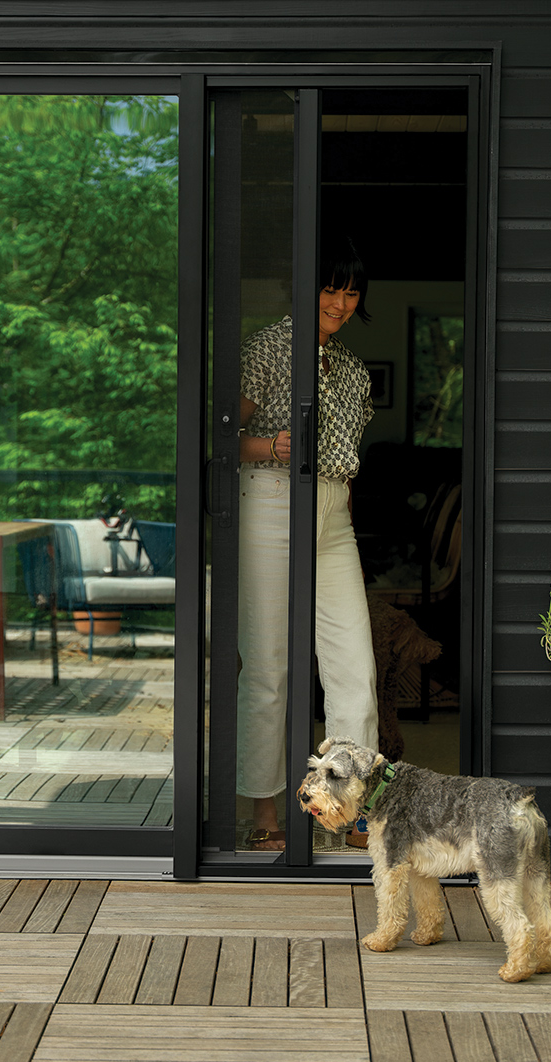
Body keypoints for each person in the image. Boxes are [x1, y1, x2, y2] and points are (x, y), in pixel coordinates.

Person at [237, 237, 379, 851]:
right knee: (268, 669)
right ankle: (264, 814)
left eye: (351, 292)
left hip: (332, 515)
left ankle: (346, 810)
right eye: (332, 288)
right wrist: (270, 445)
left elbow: (347, 458)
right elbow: (220, 435)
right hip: (269, 499)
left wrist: (338, 502)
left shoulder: (349, 368)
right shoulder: (270, 346)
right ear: (306, 287)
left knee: (354, 671)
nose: (341, 302)